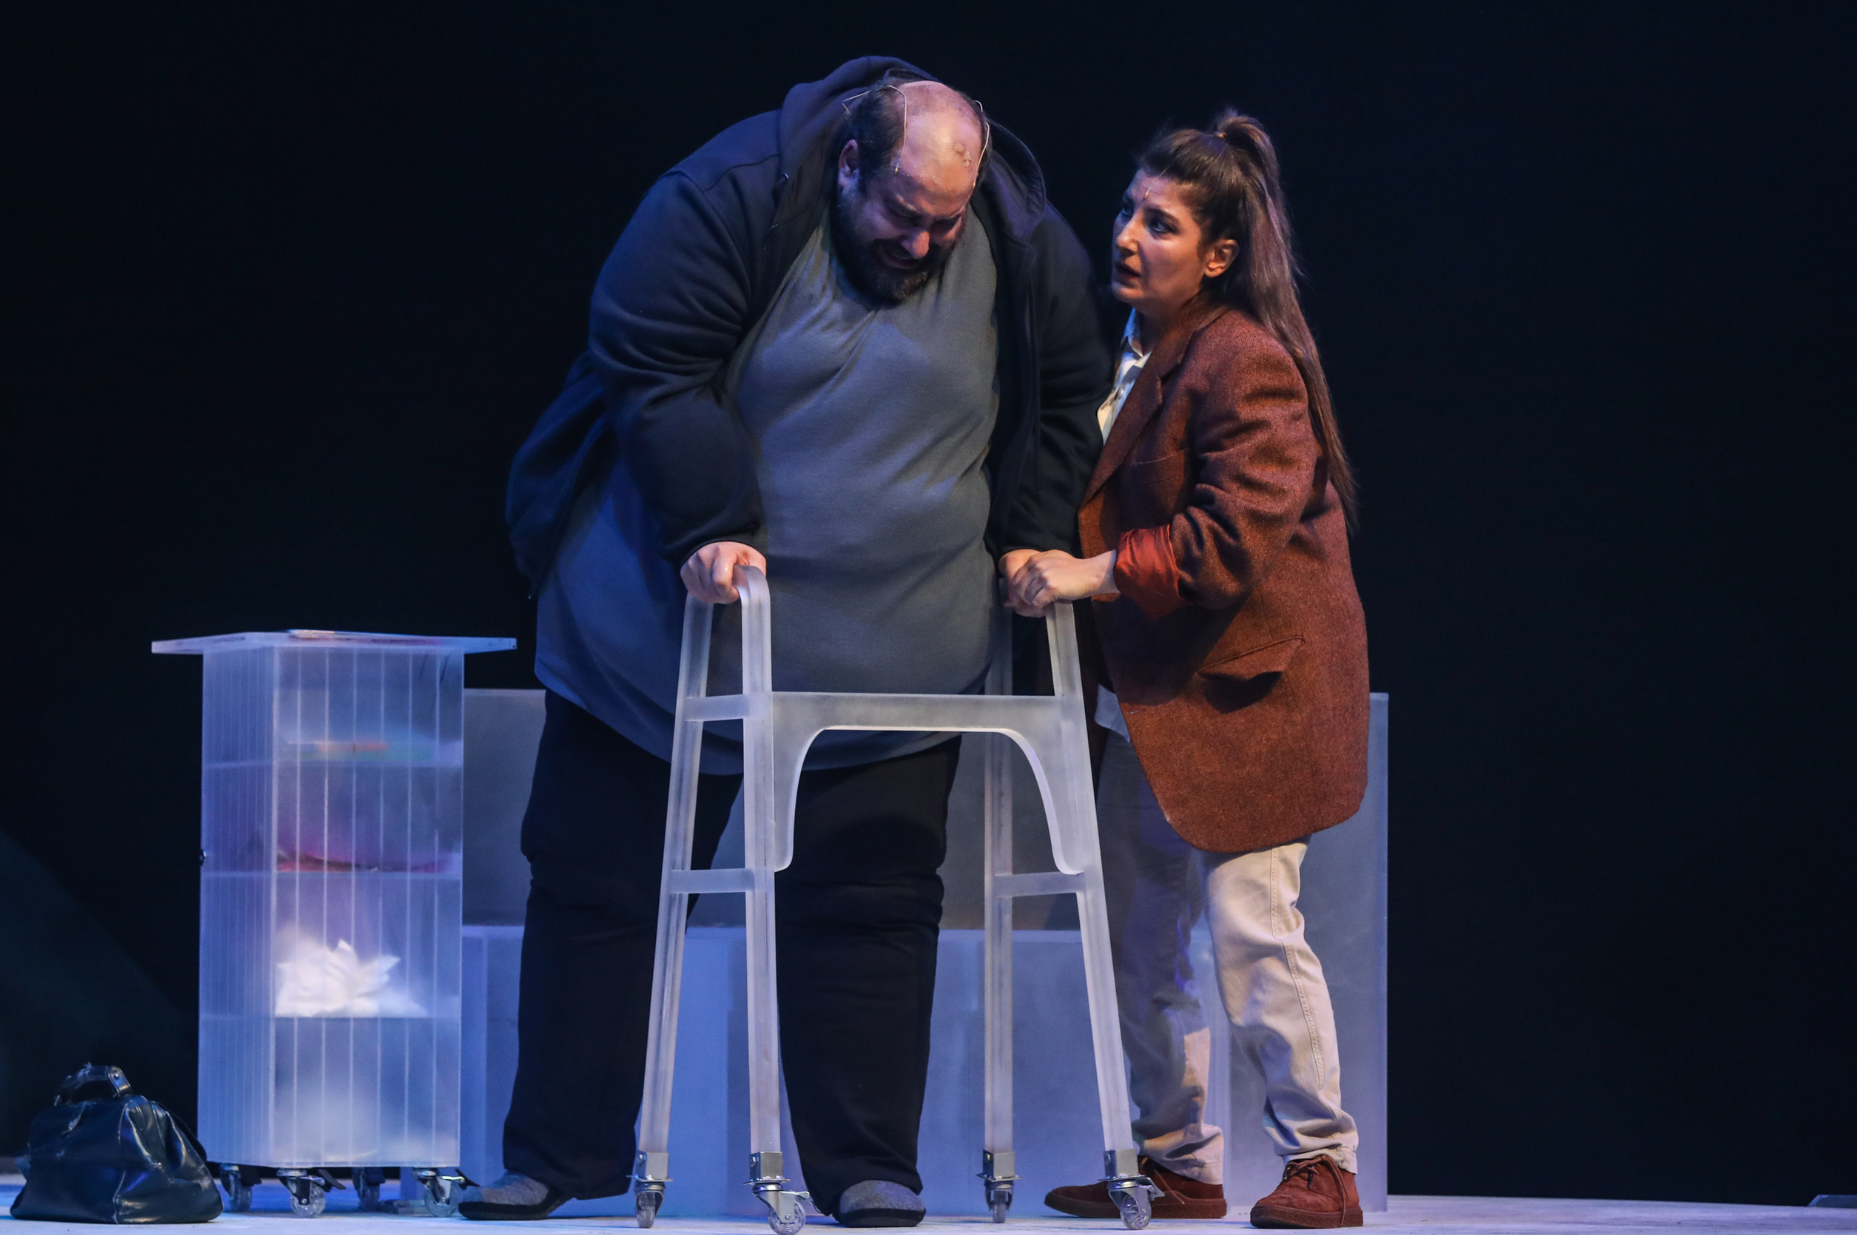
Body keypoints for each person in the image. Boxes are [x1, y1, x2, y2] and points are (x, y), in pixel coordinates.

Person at [464, 59, 1108, 1228]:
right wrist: (711, 523)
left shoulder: (1020, 236)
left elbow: (1070, 391)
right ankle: (555, 1155)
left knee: (874, 897)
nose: (923, 244)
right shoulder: (728, 196)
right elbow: (648, 354)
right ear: (850, 163)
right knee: (599, 887)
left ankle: (867, 1166)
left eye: (945, 221)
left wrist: (1030, 527)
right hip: (665, 638)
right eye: (903, 214)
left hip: (895, 649)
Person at [1008, 113, 1369, 1229]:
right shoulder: (1132, 350)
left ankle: (1323, 1160)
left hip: (1253, 694)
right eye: (1128, 210)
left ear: (1217, 254)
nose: (1128, 235)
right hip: (1157, 697)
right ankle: (1176, 1162)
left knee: (1253, 927)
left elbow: (1227, 540)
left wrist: (1088, 572)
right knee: (1138, 937)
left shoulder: (1244, 358)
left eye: (1160, 224)